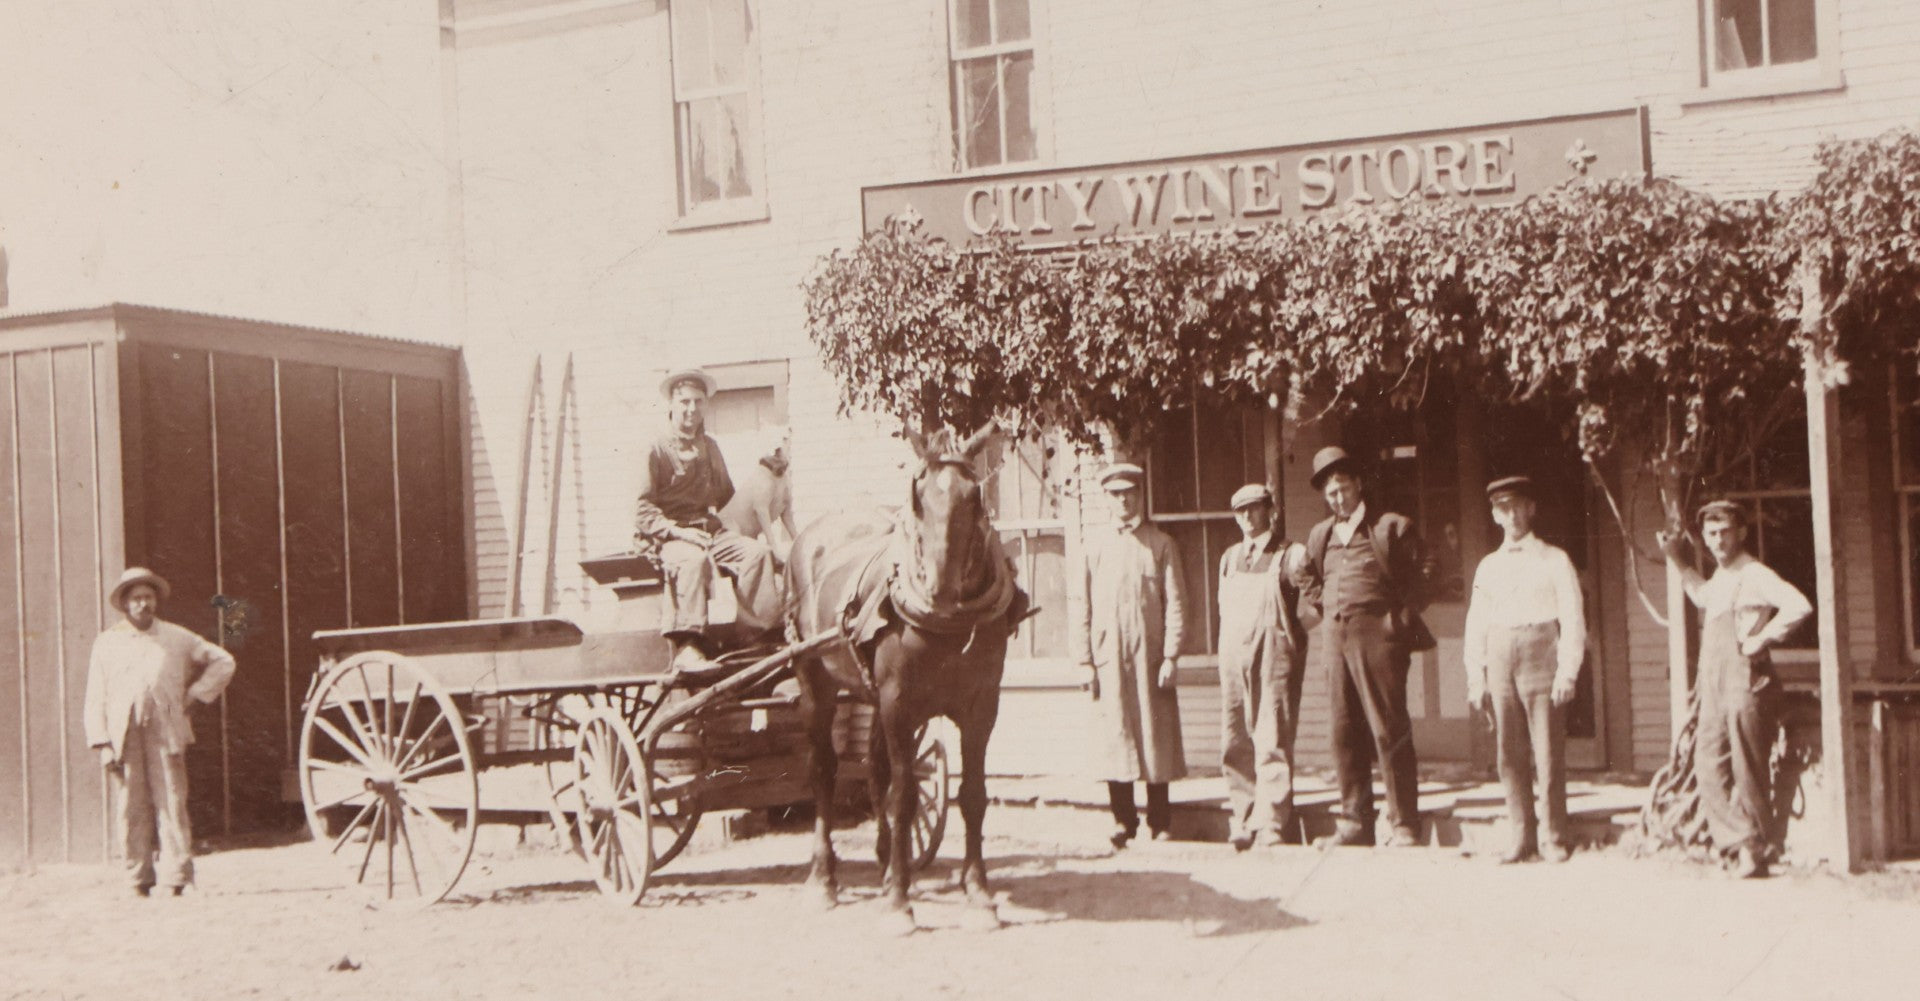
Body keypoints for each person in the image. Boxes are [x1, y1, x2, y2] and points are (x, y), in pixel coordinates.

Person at [1659, 500, 1812, 878]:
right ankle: (1739, 841)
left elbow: (1799, 605)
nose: (1718, 540)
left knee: (1748, 765)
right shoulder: (1721, 578)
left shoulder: (1754, 573)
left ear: (1741, 533)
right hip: (1714, 682)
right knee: (1707, 761)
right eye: (1711, 534)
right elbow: (1702, 596)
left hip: (1748, 678)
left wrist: (1761, 639)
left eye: (1726, 531)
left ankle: (1753, 849)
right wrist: (1677, 561)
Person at [1296, 445, 1432, 848]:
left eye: (1344, 489)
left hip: (1379, 641)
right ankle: (1355, 822)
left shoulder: (1390, 527)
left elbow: (1425, 573)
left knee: (1388, 729)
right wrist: (1326, 604)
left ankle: (1404, 822)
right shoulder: (1321, 536)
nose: (1339, 498)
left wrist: (1397, 622)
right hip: (1334, 641)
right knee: (1343, 731)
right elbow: (1307, 575)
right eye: (1331, 493)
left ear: (1358, 484)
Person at [82, 567, 236, 897]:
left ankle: (177, 877)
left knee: (171, 802)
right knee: (131, 808)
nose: (143, 604)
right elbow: (95, 695)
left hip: (165, 731)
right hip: (125, 735)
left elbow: (223, 661)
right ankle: (137, 878)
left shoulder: (177, 637)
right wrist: (103, 743)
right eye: (136, 598)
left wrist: (195, 694)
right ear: (124, 603)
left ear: (156, 601)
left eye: (148, 598)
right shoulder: (107, 643)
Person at [1462, 476, 1587, 864]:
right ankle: (1520, 835)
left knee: (1547, 749)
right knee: (1508, 751)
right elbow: (1476, 624)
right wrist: (1476, 676)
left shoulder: (1554, 559)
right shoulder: (1488, 566)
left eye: (1518, 506)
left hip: (1540, 652)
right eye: (1503, 508)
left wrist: (1567, 671)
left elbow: (1573, 618)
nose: (1512, 515)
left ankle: (1553, 835)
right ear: (1495, 515)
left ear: (1531, 509)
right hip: (1500, 654)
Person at [633, 368, 784, 671]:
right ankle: (688, 647)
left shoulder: (709, 448)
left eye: (698, 402)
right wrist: (678, 532)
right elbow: (643, 511)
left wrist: (763, 490)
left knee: (756, 554)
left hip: (708, 533)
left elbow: (727, 497)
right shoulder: (656, 449)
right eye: (685, 402)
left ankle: (754, 637)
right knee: (692, 561)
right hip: (668, 538)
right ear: (672, 405)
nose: (691, 409)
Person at [1073, 463, 1187, 848]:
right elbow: (1081, 605)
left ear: (1140, 495)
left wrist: (1171, 655)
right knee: (1115, 734)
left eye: (1130, 493)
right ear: (1106, 499)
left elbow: (1176, 603)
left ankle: (1160, 821)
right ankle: (1123, 820)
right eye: (1116, 494)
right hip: (1109, 656)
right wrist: (1085, 660)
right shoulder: (1094, 546)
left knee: (1156, 734)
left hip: (1150, 656)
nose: (1123, 500)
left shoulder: (1160, 543)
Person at [1215, 483, 1314, 850]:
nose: (1247, 517)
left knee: (1272, 737)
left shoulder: (1290, 555)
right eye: (1240, 511)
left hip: (1273, 657)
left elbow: (1319, 601)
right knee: (1236, 737)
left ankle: (1272, 821)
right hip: (1234, 657)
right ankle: (1243, 816)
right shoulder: (1229, 558)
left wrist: (1295, 630)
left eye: (1255, 508)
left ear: (1270, 510)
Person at [718, 425, 798, 566]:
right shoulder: (762, 476)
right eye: (777, 449)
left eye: (785, 442)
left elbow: (786, 515)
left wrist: (798, 542)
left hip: (750, 538)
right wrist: (774, 547)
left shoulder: (784, 479)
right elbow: (762, 512)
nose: (780, 451)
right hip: (731, 530)